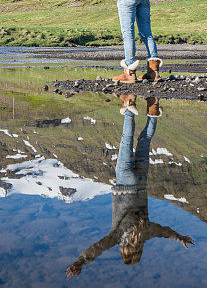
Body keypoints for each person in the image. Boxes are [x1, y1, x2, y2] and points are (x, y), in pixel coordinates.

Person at [66, 96, 193, 278]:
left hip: (141, 181)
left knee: (144, 141)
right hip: (125, 181)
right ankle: (129, 107)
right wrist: (80, 262)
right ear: (124, 251)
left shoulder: (147, 232)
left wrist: (180, 237)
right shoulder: (117, 237)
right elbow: (97, 248)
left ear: (139, 250)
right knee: (126, 140)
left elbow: (165, 232)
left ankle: (153, 111)